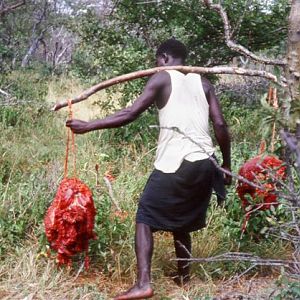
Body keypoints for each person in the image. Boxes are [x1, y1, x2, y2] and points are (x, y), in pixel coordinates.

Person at [66, 38, 231, 300]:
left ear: (164, 57)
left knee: (145, 217)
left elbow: (131, 113)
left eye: (157, 61)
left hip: (177, 161)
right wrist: (226, 164)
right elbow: (220, 125)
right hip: (205, 163)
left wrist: (89, 126)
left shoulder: (162, 78)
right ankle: (184, 278)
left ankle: (143, 283)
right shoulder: (203, 83)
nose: (156, 65)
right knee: (183, 220)